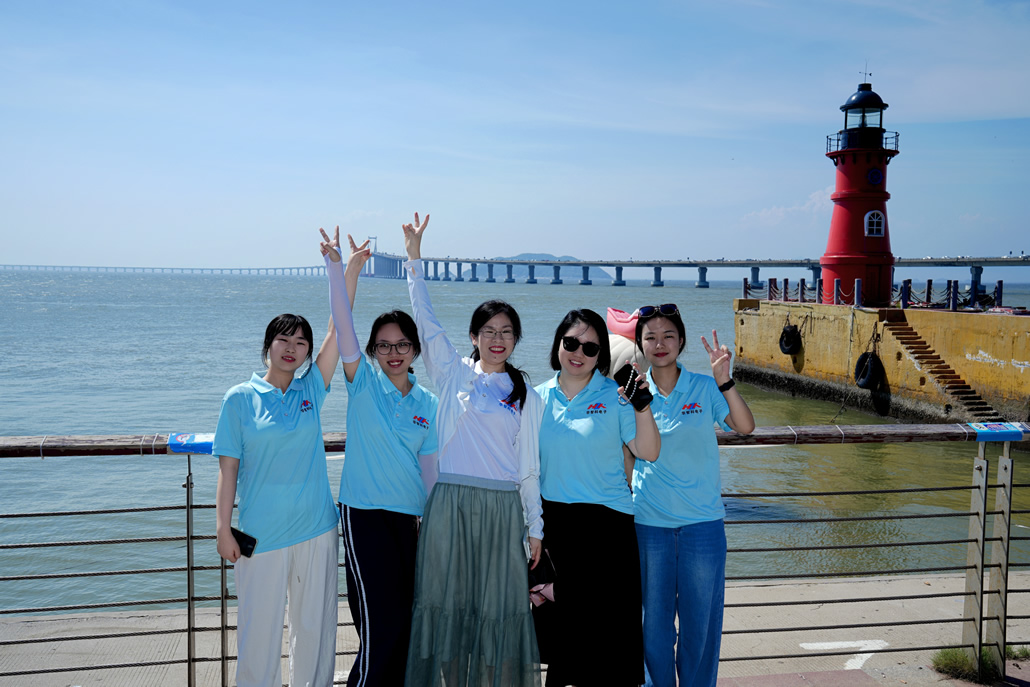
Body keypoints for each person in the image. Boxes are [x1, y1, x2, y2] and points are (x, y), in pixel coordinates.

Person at [401, 213, 544, 687]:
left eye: (506, 332)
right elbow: (425, 322)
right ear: (474, 336)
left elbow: (529, 470)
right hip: (451, 505)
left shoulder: (527, 394)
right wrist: (414, 260)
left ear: (516, 339)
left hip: (502, 511)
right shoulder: (453, 374)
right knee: (448, 608)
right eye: (489, 331)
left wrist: (535, 528)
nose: (497, 339)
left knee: (496, 613)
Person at [320, 226, 440, 686]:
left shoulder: (428, 404)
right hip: (364, 516)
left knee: (404, 624)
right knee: (380, 626)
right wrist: (340, 270)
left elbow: (430, 474)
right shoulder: (362, 383)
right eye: (384, 345)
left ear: (415, 350)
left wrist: (435, 528)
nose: (393, 353)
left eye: (402, 344)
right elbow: (341, 325)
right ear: (372, 350)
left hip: (409, 522)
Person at [213, 288, 341, 686]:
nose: (291, 348)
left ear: (308, 352)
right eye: (283, 339)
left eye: (301, 342)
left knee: (314, 630)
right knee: (258, 633)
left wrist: (346, 273)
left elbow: (338, 330)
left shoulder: (311, 389)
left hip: (316, 528)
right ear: (267, 345)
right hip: (261, 533)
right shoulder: (239, 399)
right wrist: (222, 528)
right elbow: (228, 470)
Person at [534, 308, 661, 687]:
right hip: (554, 526)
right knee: (564, 639)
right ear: (558, 343)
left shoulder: (615, 396)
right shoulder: (535, 398)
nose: (579, 353)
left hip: (608, 527)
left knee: (610, 640)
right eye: (571, 343)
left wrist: (642, 405)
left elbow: (648, 451)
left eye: (590, 348)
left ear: (601, 354)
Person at [631, 304, 755, 687]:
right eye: (650, 337)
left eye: (668, 335)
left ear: (681, 340)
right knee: (652, 628)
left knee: (700, 627)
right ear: (640, 344)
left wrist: (724, 380)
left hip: (702, 526)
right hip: (649, 524)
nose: (660, 344)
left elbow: (744, 426)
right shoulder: (633, 393)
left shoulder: (704, 386)